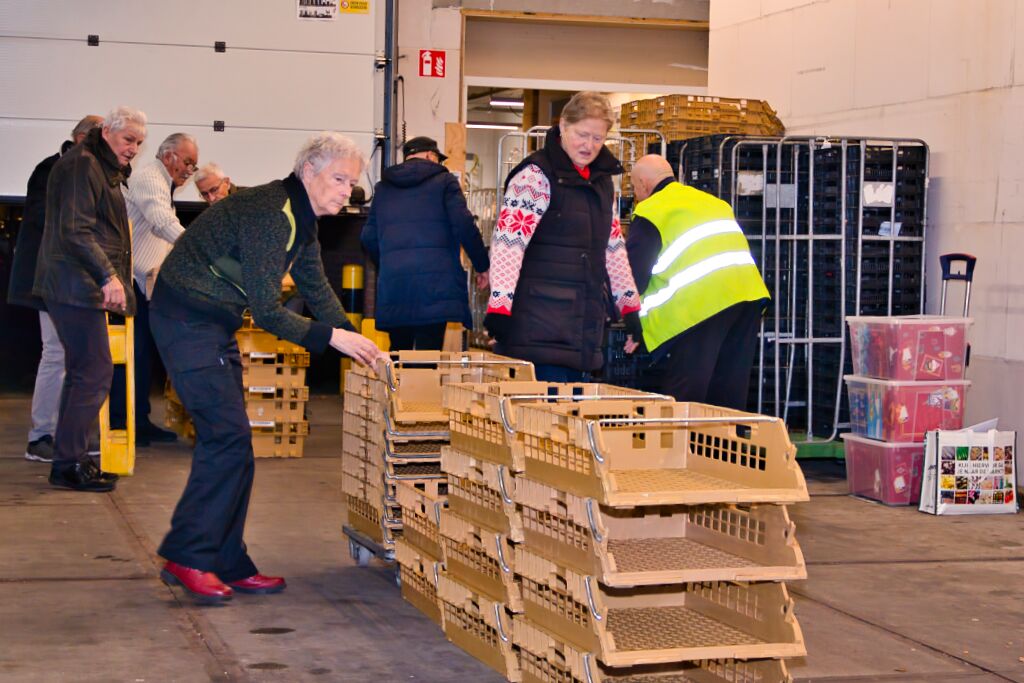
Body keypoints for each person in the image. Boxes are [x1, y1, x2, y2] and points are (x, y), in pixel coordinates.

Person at [150, 131, 387, 603]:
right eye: (339, 179)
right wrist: (334, 338)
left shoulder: (301, 218)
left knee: (234, 444)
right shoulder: (272, 214)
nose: (347, 191)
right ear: (308, 171)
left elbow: (314, 285)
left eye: (352, 182)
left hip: (210, 322)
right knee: (227, 439)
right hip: (186, 319)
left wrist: (353, 337)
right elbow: (267, 311)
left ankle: (226, 561)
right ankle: (189, 556)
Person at [483, 91, 641, 381]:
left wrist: (628, 306)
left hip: (582, 327)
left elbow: (613, 246)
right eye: (582, 135)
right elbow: (509, 244)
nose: (589, 145)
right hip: (537, 325)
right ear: (564, 126)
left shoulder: (603, 183)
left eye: (598, 138)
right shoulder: (535, 176)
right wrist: (500, 305)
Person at [33, 106, 147, 492]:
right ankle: (69, 463)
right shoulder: (84, 164)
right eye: (128, 139)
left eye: (139, 143)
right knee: (95, 370)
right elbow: (76, 230)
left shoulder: (99, 166)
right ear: (107, 132)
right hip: (75, 284)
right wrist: (108, 276)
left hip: (77, 284)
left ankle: (69, 461)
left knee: (85, 371)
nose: (134, 148)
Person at [625, 154, 770, 408]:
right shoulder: (713, 202)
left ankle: (681, 435)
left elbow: (632, 276)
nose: (635, 196)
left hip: (700, 305)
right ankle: (727, 435)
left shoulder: (651, 210)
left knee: (686, 397)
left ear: (644, 184)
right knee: (727, 393)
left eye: (634, 189)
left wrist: (631, 323)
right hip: (747, 298)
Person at [8, 115, 102, 463]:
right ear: (81, 138)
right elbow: (51, 222)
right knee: (56, 353)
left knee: (73, 356)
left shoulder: (83, 172)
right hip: (49, 279)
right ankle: (41, 436)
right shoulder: (52, 170)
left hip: (70, 280)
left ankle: (66, 435)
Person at [361, 136, 489, 350]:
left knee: (398, 357)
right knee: (427, 357)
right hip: (435, 288)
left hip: (396, 286)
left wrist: (390, 264)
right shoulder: (445, 182)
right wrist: (482, 265)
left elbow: (368, 236)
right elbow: (464, 224)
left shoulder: (383, 188)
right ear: (430, 155)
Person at [117, 133, 200, 446]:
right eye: (187, 162)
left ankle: (137, 421)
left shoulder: (161, 182)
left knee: (142, 357)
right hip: (133, 283)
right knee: (134, 355)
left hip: (145, 284)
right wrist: (199, 249)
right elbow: (161, 222)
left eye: (193, 164)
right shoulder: (151, 179)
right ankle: (124, 424)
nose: (190, 170)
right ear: (168, 156)